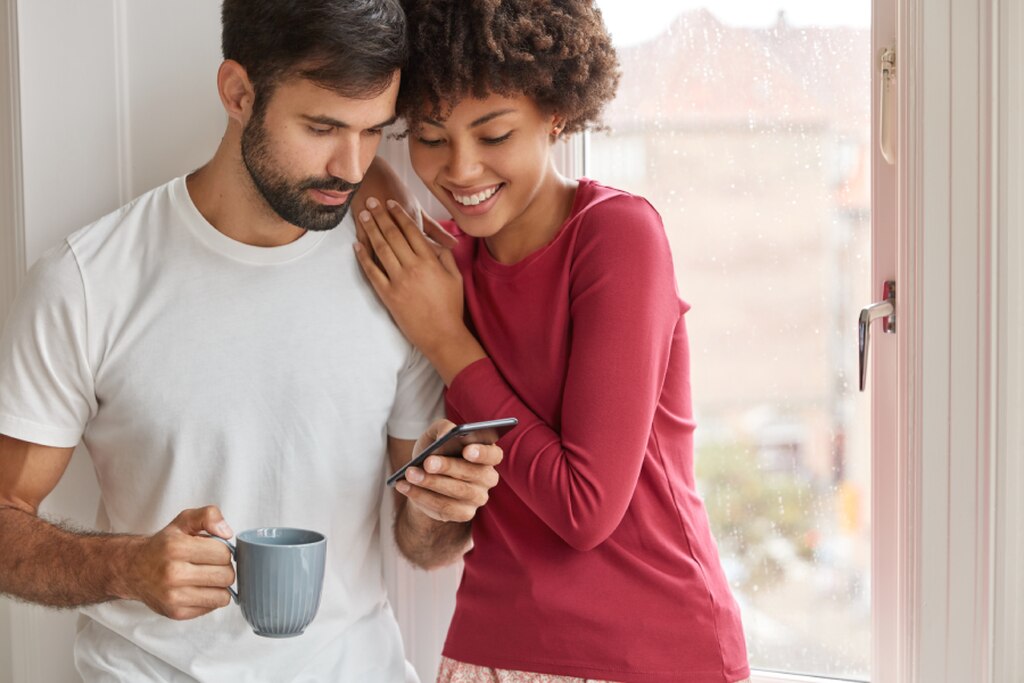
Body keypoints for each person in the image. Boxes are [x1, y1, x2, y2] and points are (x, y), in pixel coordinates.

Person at [0, 1, 503, 681]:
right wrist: (126, 566)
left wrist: (443, 507)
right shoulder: (88, 281)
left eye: (372, 133)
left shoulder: (401, 275)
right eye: (322, 126)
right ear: (238, 93)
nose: (350, 166)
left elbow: (420, 543)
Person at [352, 0, 751, 681]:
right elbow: (357, 178)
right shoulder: (441, 269)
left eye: (495, 133)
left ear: (555, 113)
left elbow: (584, 507)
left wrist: (449, 340)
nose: (461, 170)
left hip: (651, 655)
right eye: (430, 136)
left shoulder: (617, 237)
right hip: (489, 651)